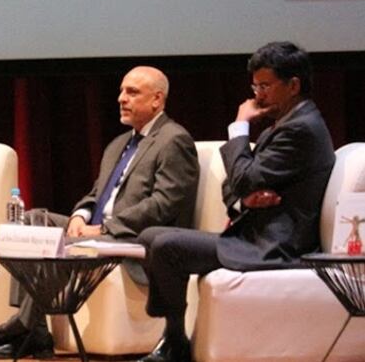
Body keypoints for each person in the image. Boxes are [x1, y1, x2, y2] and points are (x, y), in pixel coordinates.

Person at [0, 66, 199, 360]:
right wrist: (80, 216)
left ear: (157, 99)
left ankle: (26, 327)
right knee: (31, 221)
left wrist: (105, 228)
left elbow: (164, 204)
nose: (121, 98)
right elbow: (96, 194)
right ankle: (35, 329)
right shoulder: (119, 144)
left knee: (57, 244)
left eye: (132, 92)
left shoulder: (174, 140)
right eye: (121, 91)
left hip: (134, 238)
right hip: (97, 230)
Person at [135, 42, 335, 362]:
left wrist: (240, 125)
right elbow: (234, 184)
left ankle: (174, 341)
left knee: (166, 246)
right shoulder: (287, 123)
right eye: (255, 87)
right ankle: (172, 336)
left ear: (293, 85)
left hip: (275, 246)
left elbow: (241, 179)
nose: (258, 96)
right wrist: (246, 202)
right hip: (252, 234)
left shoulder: (301, 129)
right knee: (149, 236)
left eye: (265, 86)